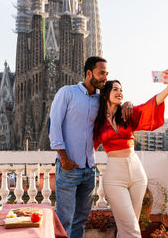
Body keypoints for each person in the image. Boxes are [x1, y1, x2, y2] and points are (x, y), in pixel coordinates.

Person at [93, 70, 168, 238]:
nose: (119, 92)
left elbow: (150, 106)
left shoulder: (127, 114)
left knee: (128, 227)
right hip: (115, 177)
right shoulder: (98, 122)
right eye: (115, 89)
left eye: (121, 90)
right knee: (131, 228)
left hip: (137, 172)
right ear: (105, 94)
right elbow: (88, 146)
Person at [49, 56, 112, 238]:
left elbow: (116, 109)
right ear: (89, 73)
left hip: (89, 170)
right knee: (64, 220)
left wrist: (128, 104)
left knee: (81, 220)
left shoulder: (100, 100)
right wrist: (64, 158)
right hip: (69, 169)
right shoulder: (67, 93)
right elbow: (54, 126)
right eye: (101, 73)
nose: (104, 77)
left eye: (106, 74)